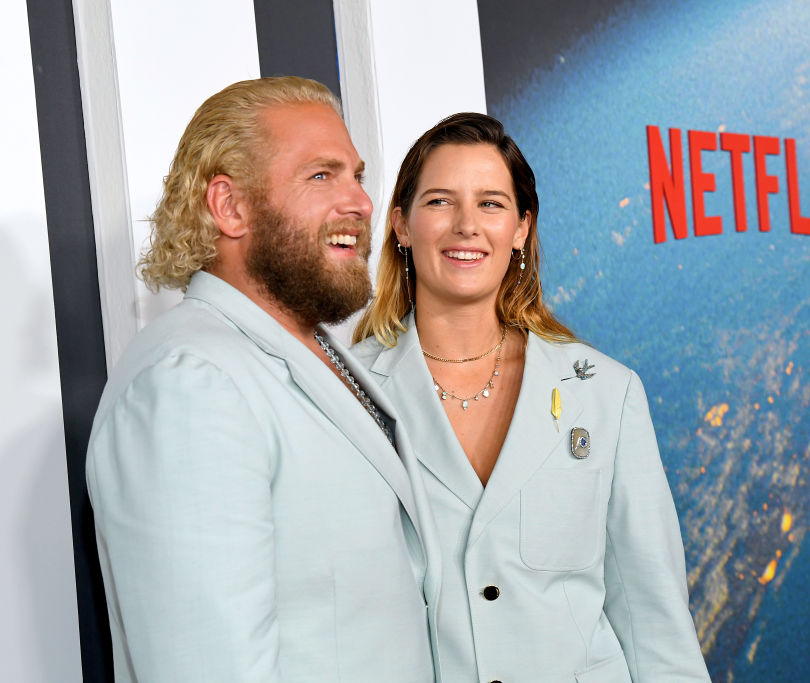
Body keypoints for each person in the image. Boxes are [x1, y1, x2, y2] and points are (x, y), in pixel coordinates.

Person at [86, 77, 440, 682]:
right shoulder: (189, 384)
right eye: (321, 176)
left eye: (356, 175)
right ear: (229, 207)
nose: (359, 202)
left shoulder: (316, 349)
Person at [353, 113, 710, 682]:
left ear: (521, 228)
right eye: (441, 201)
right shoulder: (348, 393)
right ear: (401, 224)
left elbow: (655, 619)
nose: (467, 225)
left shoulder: (605, 394)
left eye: (492, 204)